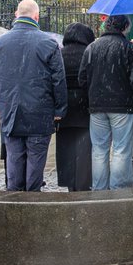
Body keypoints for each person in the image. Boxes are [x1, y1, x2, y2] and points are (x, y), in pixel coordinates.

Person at [0, 0, 67, 192]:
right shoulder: (48, 43)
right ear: (36, 17)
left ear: (16, 14)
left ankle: (15, 198)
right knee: (36, 160)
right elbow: (58, 80)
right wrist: (59, 110)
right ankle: (33, 197)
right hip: (40, 111)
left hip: (10, 110)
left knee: (14, 158)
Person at [80, 15, 133, 190]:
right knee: (121, 149)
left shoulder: (91, 48)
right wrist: (132, 97)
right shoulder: (130, 48)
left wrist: (93, 95)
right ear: (125, 27)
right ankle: (119, 189)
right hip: (122, 106)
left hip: (97, 106)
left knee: (99, 150)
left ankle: (99, 189)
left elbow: (82, 79)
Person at [56, 23, 95, 192]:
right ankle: (83, 182)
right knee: (84, 148)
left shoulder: (59, 53)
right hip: (84, 105)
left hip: (64, 106)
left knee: (65, 147)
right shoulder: (88, 52)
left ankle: (69, 182)